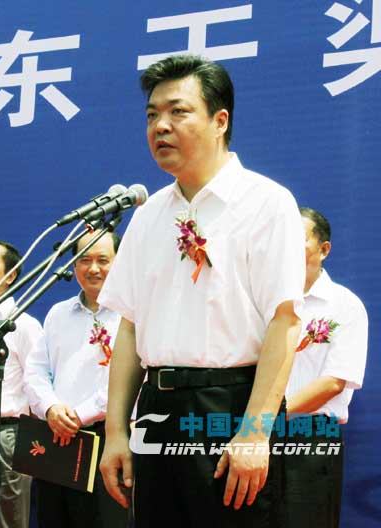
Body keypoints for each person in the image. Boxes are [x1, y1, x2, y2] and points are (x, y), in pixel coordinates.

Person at [98, 54, 306, 528]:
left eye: (178, 111)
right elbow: (129, 327)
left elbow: (285, 323)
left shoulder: (266, 202)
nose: (160, 126)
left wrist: (255, 433)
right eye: (152, 115)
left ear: (220, 121)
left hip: (229, 408)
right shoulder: (148, 215)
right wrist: (115, 432)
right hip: (157, 410)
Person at [24, 230, 128, 528]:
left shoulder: (130, 315)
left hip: (107, 439)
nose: (93, 268)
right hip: (55, 439)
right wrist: (51, 408)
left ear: (119, 262)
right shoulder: (58, 313)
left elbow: (131, 379)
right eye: (84, 260)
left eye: (102, 260)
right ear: (73, 266)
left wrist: (79, 415)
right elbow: (35, 370)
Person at [284, 207, 368, 527]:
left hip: (312, 437)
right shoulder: (266, 301)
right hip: (258, 434)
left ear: (324, 249)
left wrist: (269, 414)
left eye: (298, 239)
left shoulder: (344, 305)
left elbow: (334, 381)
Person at [0, 237, 43, 528]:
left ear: (11, 275)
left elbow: (39, 384)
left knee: (7, 519)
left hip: (5, 436)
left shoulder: (23, 325)